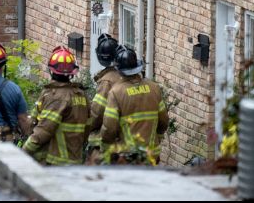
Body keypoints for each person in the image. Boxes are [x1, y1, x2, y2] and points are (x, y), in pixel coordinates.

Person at [23, 46, 91, 165]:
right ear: (72, 73)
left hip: (56, 161)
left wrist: (23, 151)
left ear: (51, 71)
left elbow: (44, 130)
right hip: (76, 159)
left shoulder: (57, 97)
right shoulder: (80, 94)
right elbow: (88, 127)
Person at [101, 47, 169, 165]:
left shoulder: (116, 92)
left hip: (127, 156)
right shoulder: (154, 88)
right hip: (151, 154)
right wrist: (156, 138)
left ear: (119, 70)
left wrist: (106, 148)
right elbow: (163, 121)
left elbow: (110, 127)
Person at [88, 33, 124, 162]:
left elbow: (97, 113)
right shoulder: (127, 74)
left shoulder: (106, 81)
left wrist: (84, 128)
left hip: (113, 140)